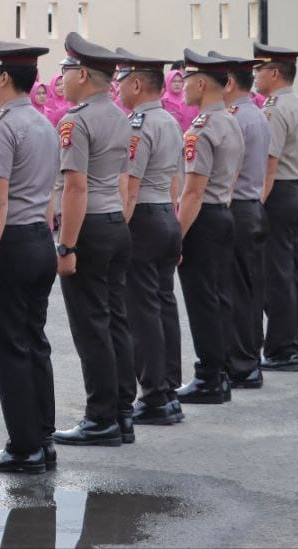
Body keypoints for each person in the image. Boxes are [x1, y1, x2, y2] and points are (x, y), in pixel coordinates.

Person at [0, 37, 60, 475]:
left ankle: (24, 447)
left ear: (4, 77)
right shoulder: (45, 123)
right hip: (40, 239)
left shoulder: (2, 127)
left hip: (10, 241)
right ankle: (43, 439)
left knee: (9, 347)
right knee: (34, 342)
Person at [51, 33, 135, 448]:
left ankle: (100, 418)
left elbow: (75, 187)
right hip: (115, 222)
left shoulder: (76, 120)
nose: (61, 79)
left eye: (66, 71)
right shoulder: (121, 116)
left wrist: (66, 246)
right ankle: (122, 412)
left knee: (91, 327)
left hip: (89, 226)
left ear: (82, 74)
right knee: (116, 320)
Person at [112, 48, 184, 427]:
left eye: (121, 81)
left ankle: (154, 395)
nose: (118, 88)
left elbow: (131, 187)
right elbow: (175, 180)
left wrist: (119, 233)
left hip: (143, 218)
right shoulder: (170, 121)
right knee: (163, 304)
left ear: (137, 84)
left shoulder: (137, 125)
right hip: (166, 216)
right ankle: (168, 390)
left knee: (142, 312)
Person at [173, 50, 244, 405]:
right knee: (219, 297)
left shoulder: (200, 129)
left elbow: (192, 193)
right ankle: (221, 371)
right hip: (223, 213)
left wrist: (176, 238)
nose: (183, 86)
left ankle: (209, 378)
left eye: (187, 80)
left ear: (201, 84)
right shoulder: (231, 120)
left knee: (202, 301)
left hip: (202, 219)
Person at [208, 50, 272, 391]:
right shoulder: (256, 115)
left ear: (229, 83)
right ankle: (248, 360)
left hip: (236, 207)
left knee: (234, 291)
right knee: (249, 289)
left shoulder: (234, 118)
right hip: (252, 206)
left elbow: (229, 175)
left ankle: (241, 364)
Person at [253, 43, 298, 372]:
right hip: (297, 189)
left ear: (274, 73)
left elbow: (269, 165)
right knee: (293, 270)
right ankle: (297, 341)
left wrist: (256, 206)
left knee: (275, 274)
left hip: (277, 192)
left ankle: (282, 348)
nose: (255, 76)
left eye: (259, 70)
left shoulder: (274, 109)